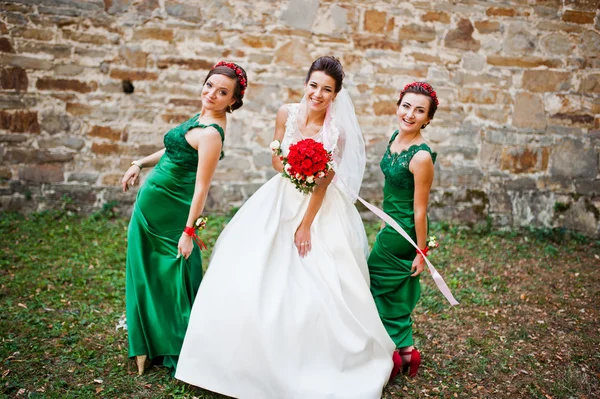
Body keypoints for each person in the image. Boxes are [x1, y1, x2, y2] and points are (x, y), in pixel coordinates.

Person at [175, 56, 395, 398]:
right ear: (305, 83)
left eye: (326, 90)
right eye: (313, 85)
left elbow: (324, 184)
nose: (317, 94)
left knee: (316, 282)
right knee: (249, 271)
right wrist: (293, 166)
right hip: (280, 194)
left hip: (316, 207)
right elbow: (276, 156)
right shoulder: (286, 113)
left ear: (335, 95)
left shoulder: (337, 132)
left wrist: (306, 225)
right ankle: (227, 361)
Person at [120, 61, 248, 375]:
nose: (212, 94)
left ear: (233, 101)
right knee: (145, 272)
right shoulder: (200, 117)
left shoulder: (211, 134)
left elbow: (202, 187)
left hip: (171, 214)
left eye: (222, 92)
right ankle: (146, 341)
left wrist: (189, 231)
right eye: (210, 86)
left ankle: (174, 343)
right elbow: (172, 149)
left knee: (169, 274)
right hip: (150, 208)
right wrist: (139, 163)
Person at [367, 81, 439, 378]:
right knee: (391, 290)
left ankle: (390, 353)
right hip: (390, 223)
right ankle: (407, 352)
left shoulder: (421, 156)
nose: (410, 114)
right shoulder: (395, 138)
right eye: (406, 106)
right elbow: (390, 187)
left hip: (403, 231)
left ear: (428, 119)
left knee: (374, 284)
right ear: (398, 106)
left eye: (419, 110)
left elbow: (420, 209)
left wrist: (421, 252)